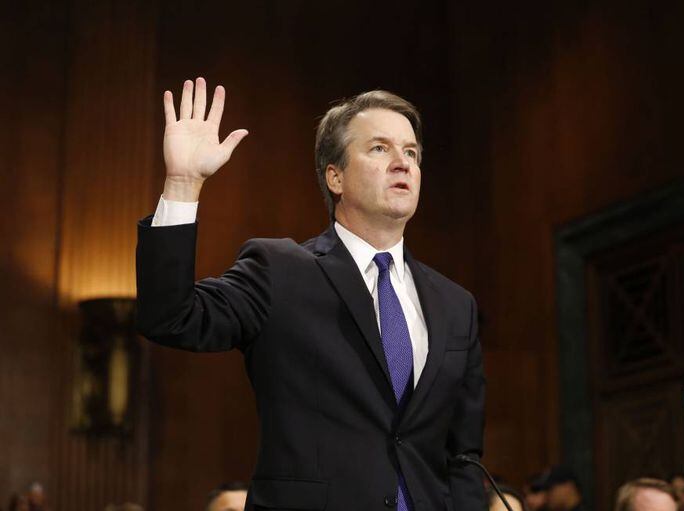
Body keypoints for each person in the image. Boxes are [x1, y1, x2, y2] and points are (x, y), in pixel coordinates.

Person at [136, 78, 486, 510]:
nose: (402, 163)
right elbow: (172, 317)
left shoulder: (456, 305)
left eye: (411, 152)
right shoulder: (280, 270)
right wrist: (183, 184)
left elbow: (463, 456)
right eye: (380, 148)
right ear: (335, 177)